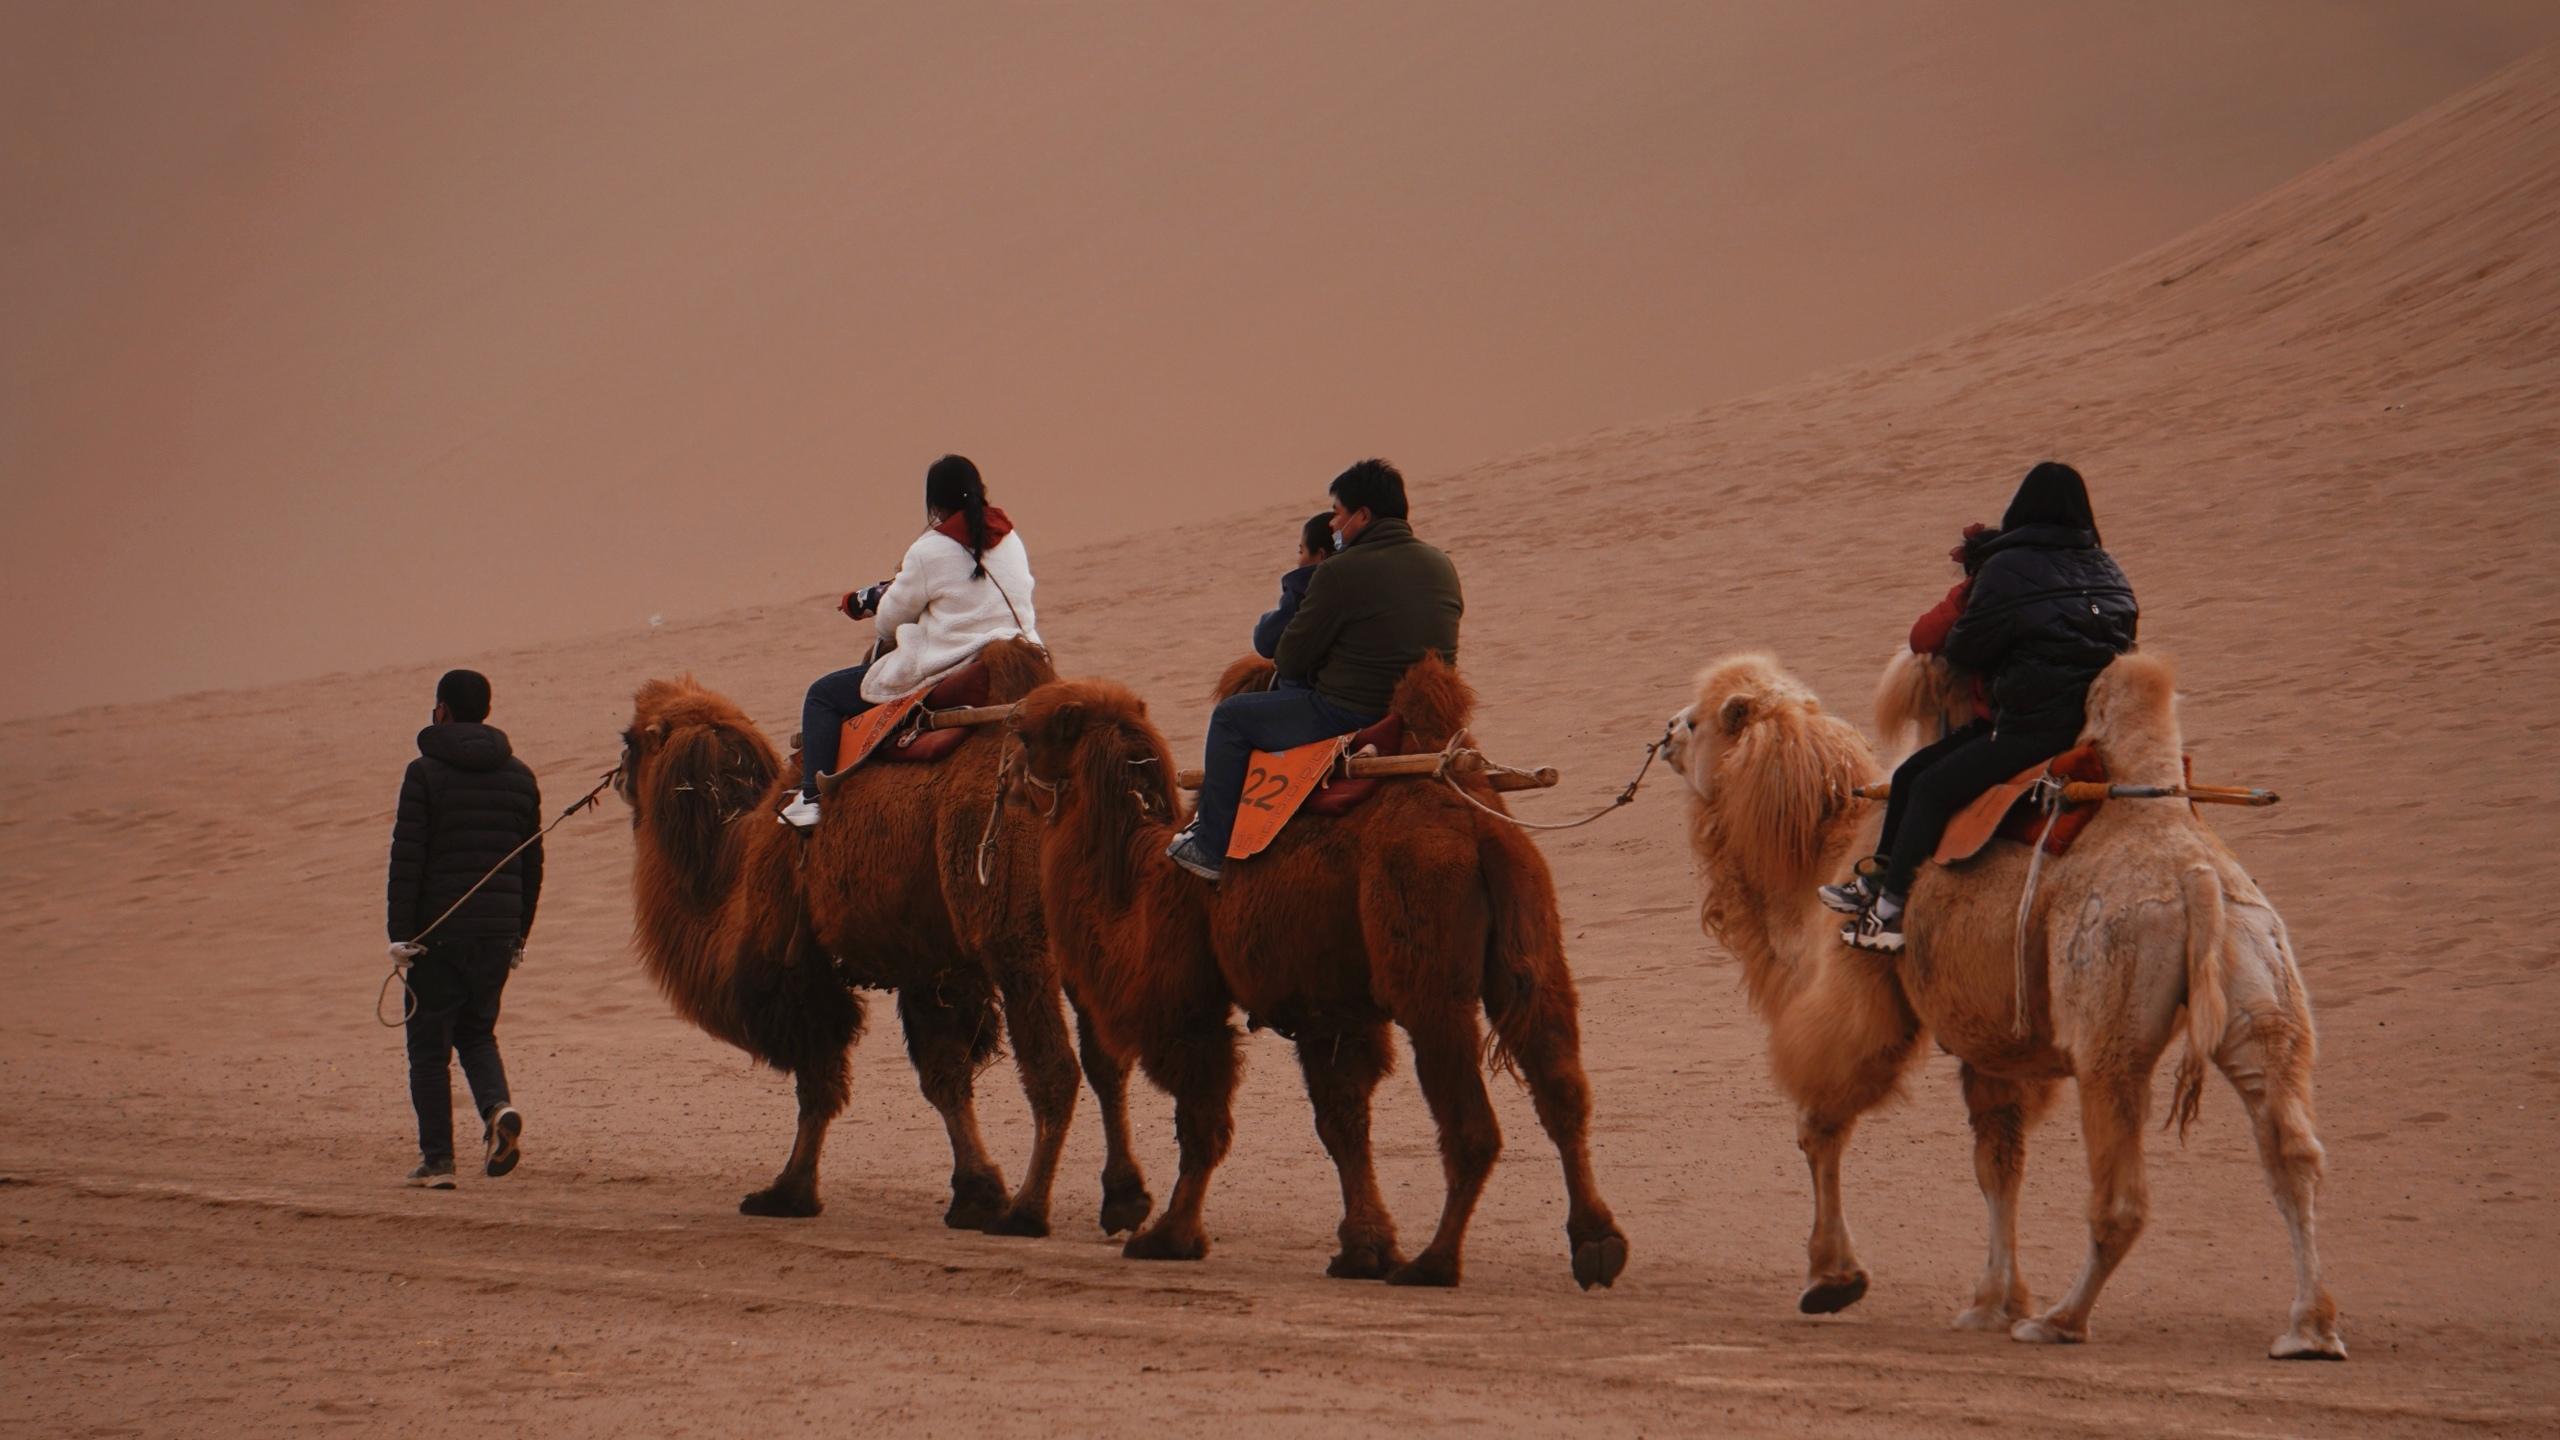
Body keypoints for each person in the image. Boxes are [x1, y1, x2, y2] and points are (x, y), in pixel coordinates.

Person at [1834, 462, 2138, 953]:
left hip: (2028, 727)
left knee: (1931, 788)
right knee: (1913, 771)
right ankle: (1875, 880)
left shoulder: (2007, 568)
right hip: (2094, 727)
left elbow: (1965, 648)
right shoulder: (2110, 568)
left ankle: (1889, 915)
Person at [1166, 459, 1463, 881]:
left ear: (1363, 515)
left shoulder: (1340, 571)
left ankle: (1211, 847)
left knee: (1232, 718)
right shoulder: (1441, 564)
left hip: (1350, 712)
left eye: (1339, 514)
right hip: (1422, 712)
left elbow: (1290, 658)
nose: (1335, 525)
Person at [782, 454, 1039, 827]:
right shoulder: (1010, 537)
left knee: (822, 694)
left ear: (934, 503)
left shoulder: (928, 550)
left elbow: (888, 623)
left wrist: (876, 600)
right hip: (1024, 651)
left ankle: (810, 799)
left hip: (959, 663)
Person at [386, 668, 541, 1188]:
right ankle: (497, 1112)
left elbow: (407, 858)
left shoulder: (423, 773)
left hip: (438, 934)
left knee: (428, 1048)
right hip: (496, 934)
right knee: (476, 1033)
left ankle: (438, 1160)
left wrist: (400, 934)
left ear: (443, 710)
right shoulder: (520, 775)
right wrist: (519, 933)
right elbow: (533, 863)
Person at [1252, 512, 1340, 660]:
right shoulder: (1370, 574)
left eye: (1301, 551)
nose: (1298, 560)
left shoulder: (1305, 589)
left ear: (1321, 555)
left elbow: (1265, 641)